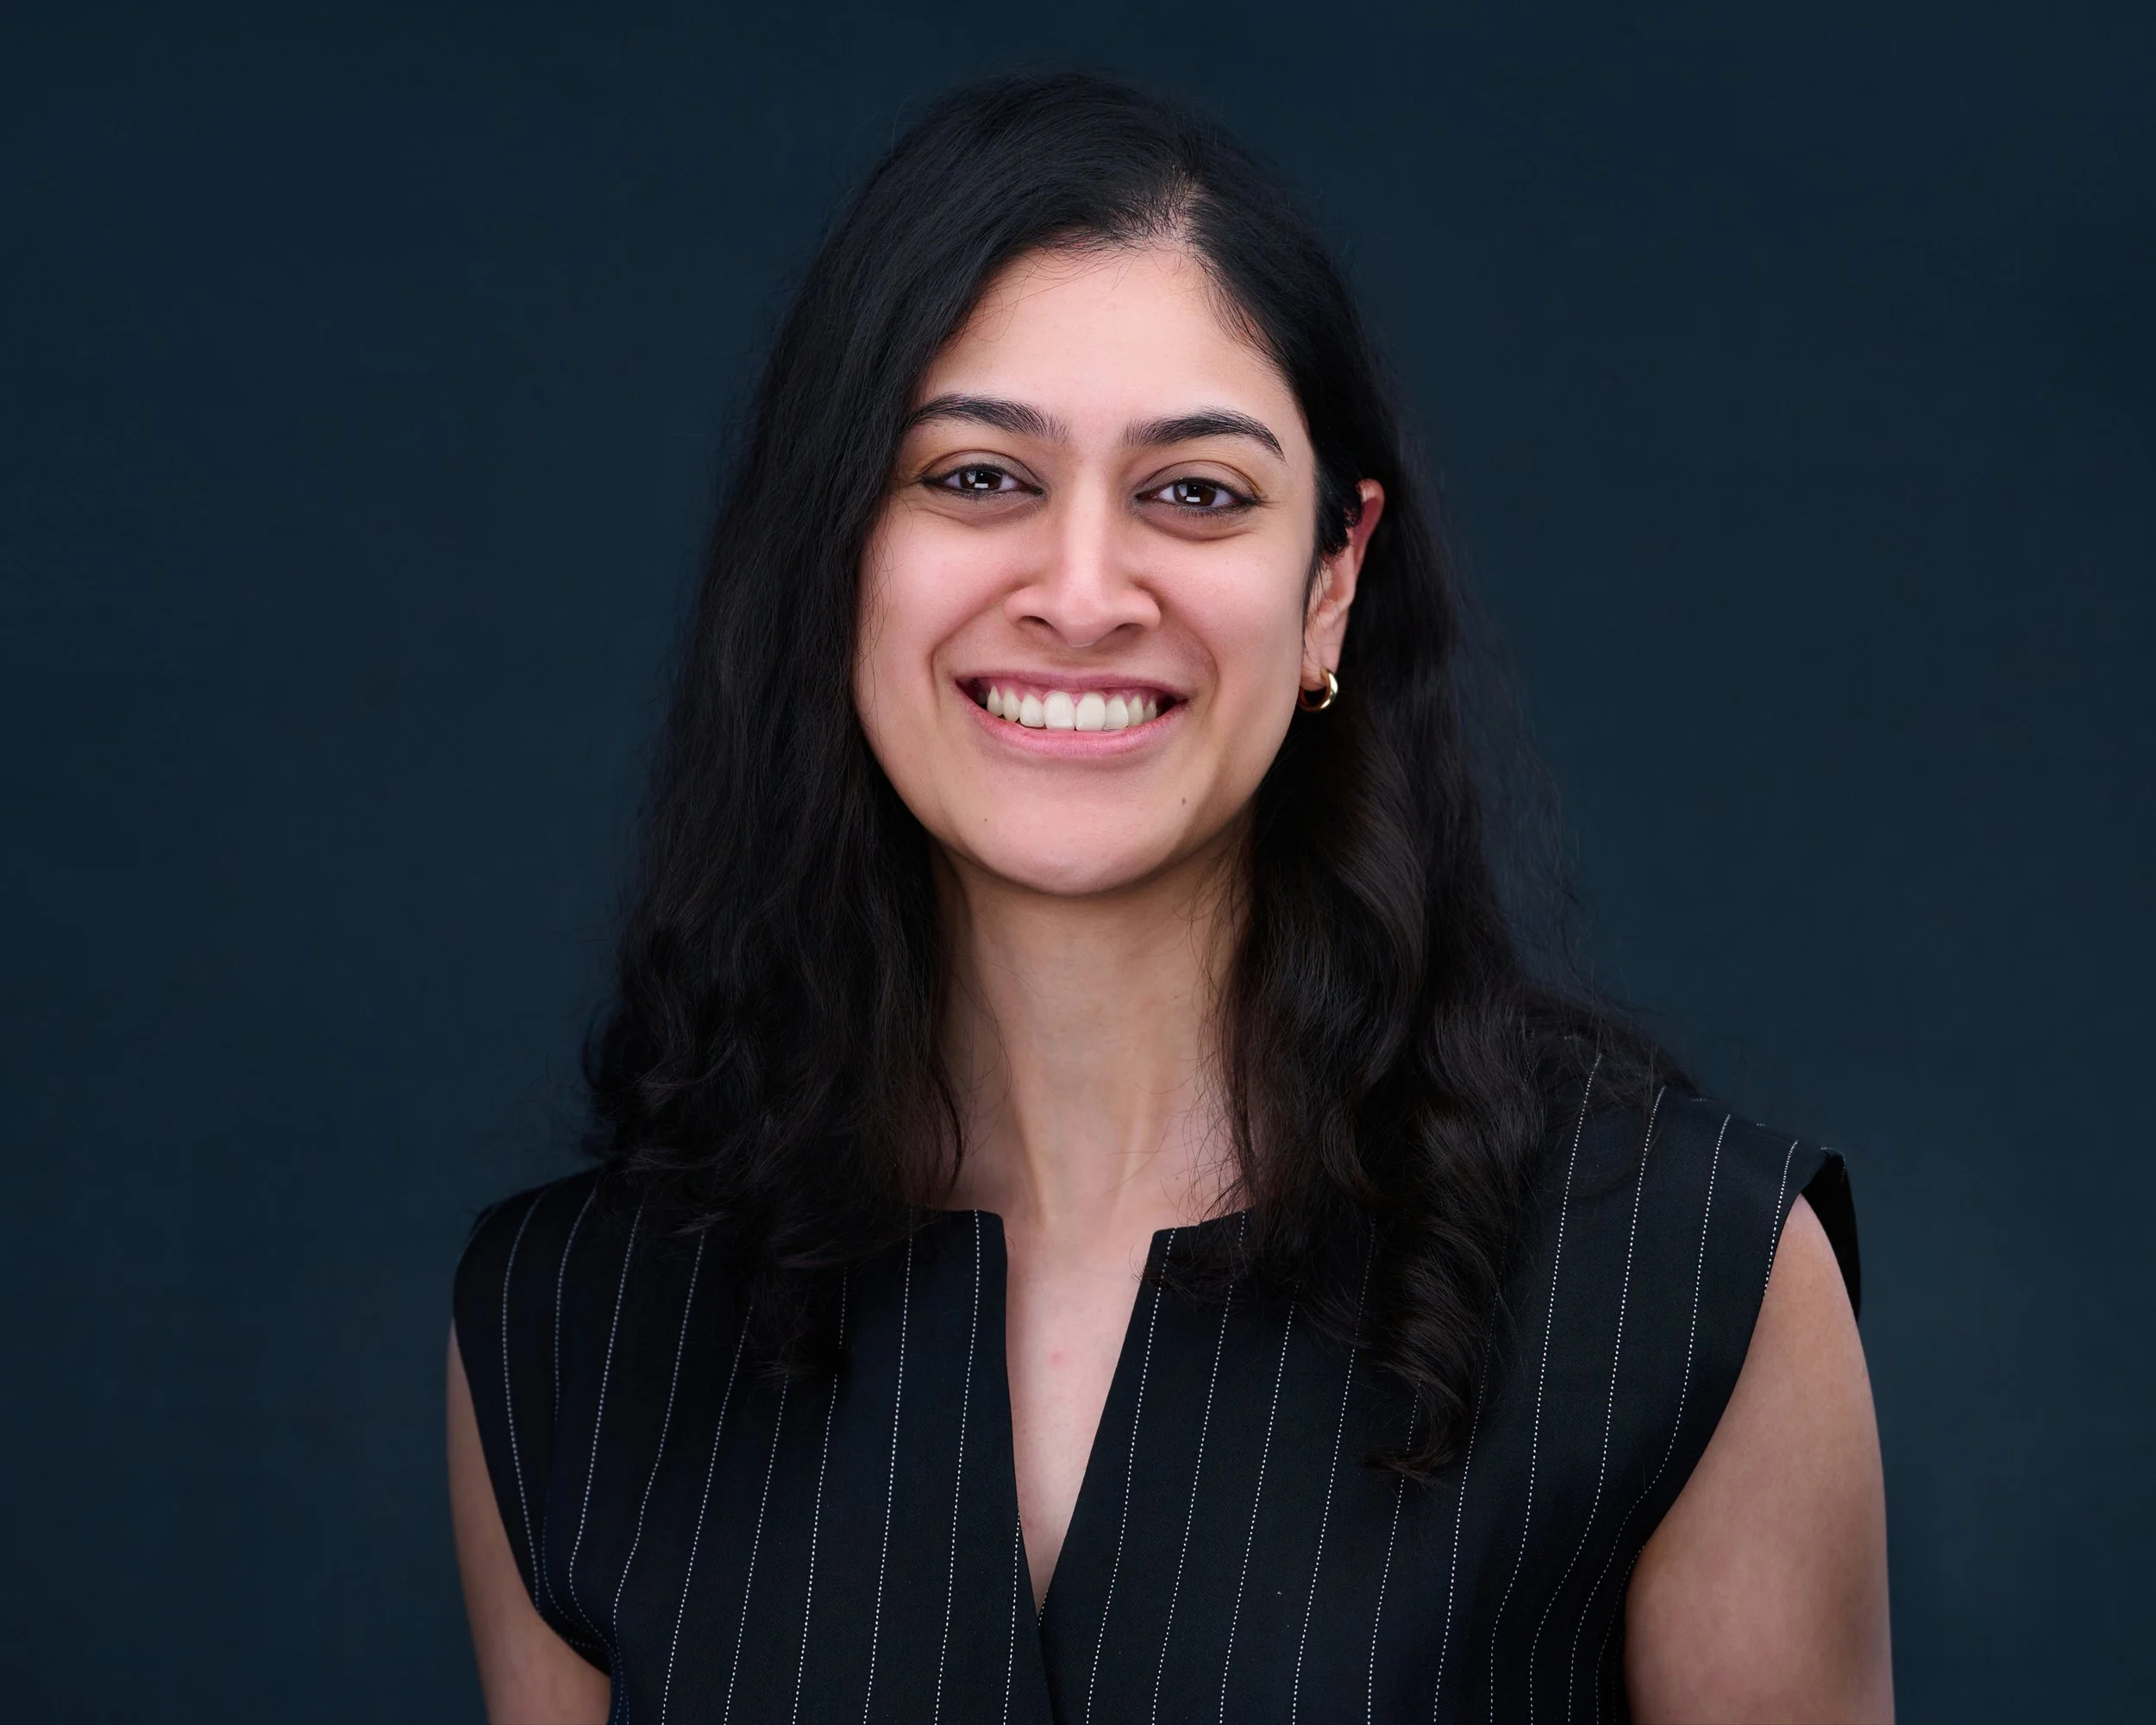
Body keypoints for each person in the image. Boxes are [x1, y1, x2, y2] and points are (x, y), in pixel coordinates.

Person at [447, 72, 1890, 1723]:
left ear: (1331, 579)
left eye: (1194, 492)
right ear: (835, 549)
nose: (1081, 596)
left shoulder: (1691, 1276)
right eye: (977, 477)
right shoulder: (569, 1328)